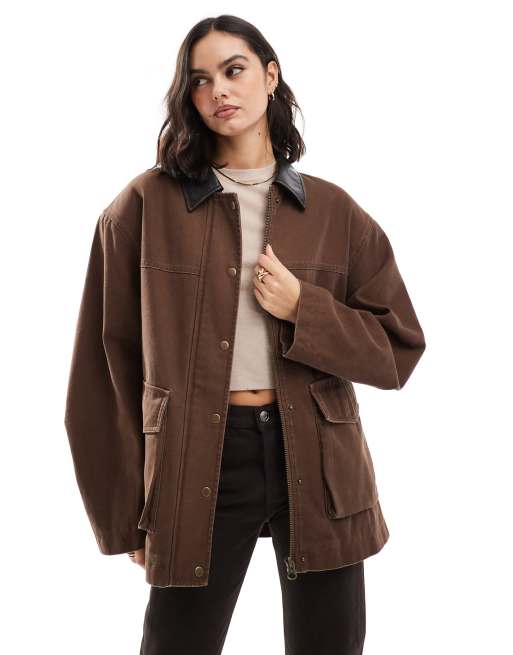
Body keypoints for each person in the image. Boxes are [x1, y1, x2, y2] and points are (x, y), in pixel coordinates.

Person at [64, 14, 426, 655]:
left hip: (318, 455)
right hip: (197, 455)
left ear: (270, 75)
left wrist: (305, 307)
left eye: (234, 70)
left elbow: (397, 350)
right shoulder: (144, 206)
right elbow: (101, 371)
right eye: (199, 80)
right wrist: (123, 518)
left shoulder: (334, 212)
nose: (219, 92)